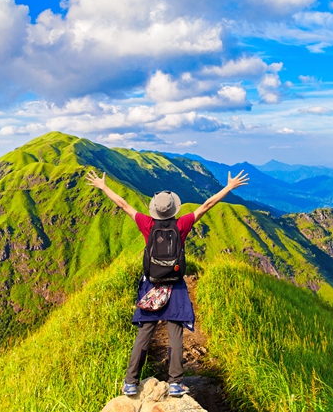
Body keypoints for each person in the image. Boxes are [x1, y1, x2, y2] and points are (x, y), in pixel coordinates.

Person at [84, 168, 249, 397]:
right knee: (175, 335)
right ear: (173, 209)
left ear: (155, 210)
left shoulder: (146, 224)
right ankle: (174, 383)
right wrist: (229, 188)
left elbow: (123, 204)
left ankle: (131, 382)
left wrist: (103, 187)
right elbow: (207, 205)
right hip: (176, 286)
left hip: (152, 285)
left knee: (145, 333)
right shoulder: (181, 225)